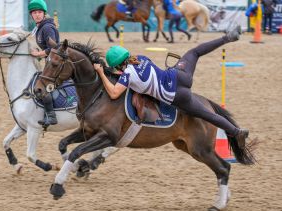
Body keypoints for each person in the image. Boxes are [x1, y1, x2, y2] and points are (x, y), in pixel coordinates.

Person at [93, 25, 249, 149]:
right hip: (179, 75)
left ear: (118, 65)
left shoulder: (127, 75)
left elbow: (114, 93)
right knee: (194, 52)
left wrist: (101, 73)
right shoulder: (140, 58)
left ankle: (236, 132)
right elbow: (141, 77)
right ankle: (227, 37)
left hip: (176, 95)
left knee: (207, 115)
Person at [29, 0, 60, 128]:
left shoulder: (46, 28)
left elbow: (55, 48)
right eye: (34, 12)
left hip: (56, 62)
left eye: (39, 12)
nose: (37, 15)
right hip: (50, 60)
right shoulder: (39, 27)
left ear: (44, 13)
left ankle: (51, 116)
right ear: (31, 15)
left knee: (41, 87)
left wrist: (39, 54)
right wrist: (41, 53)